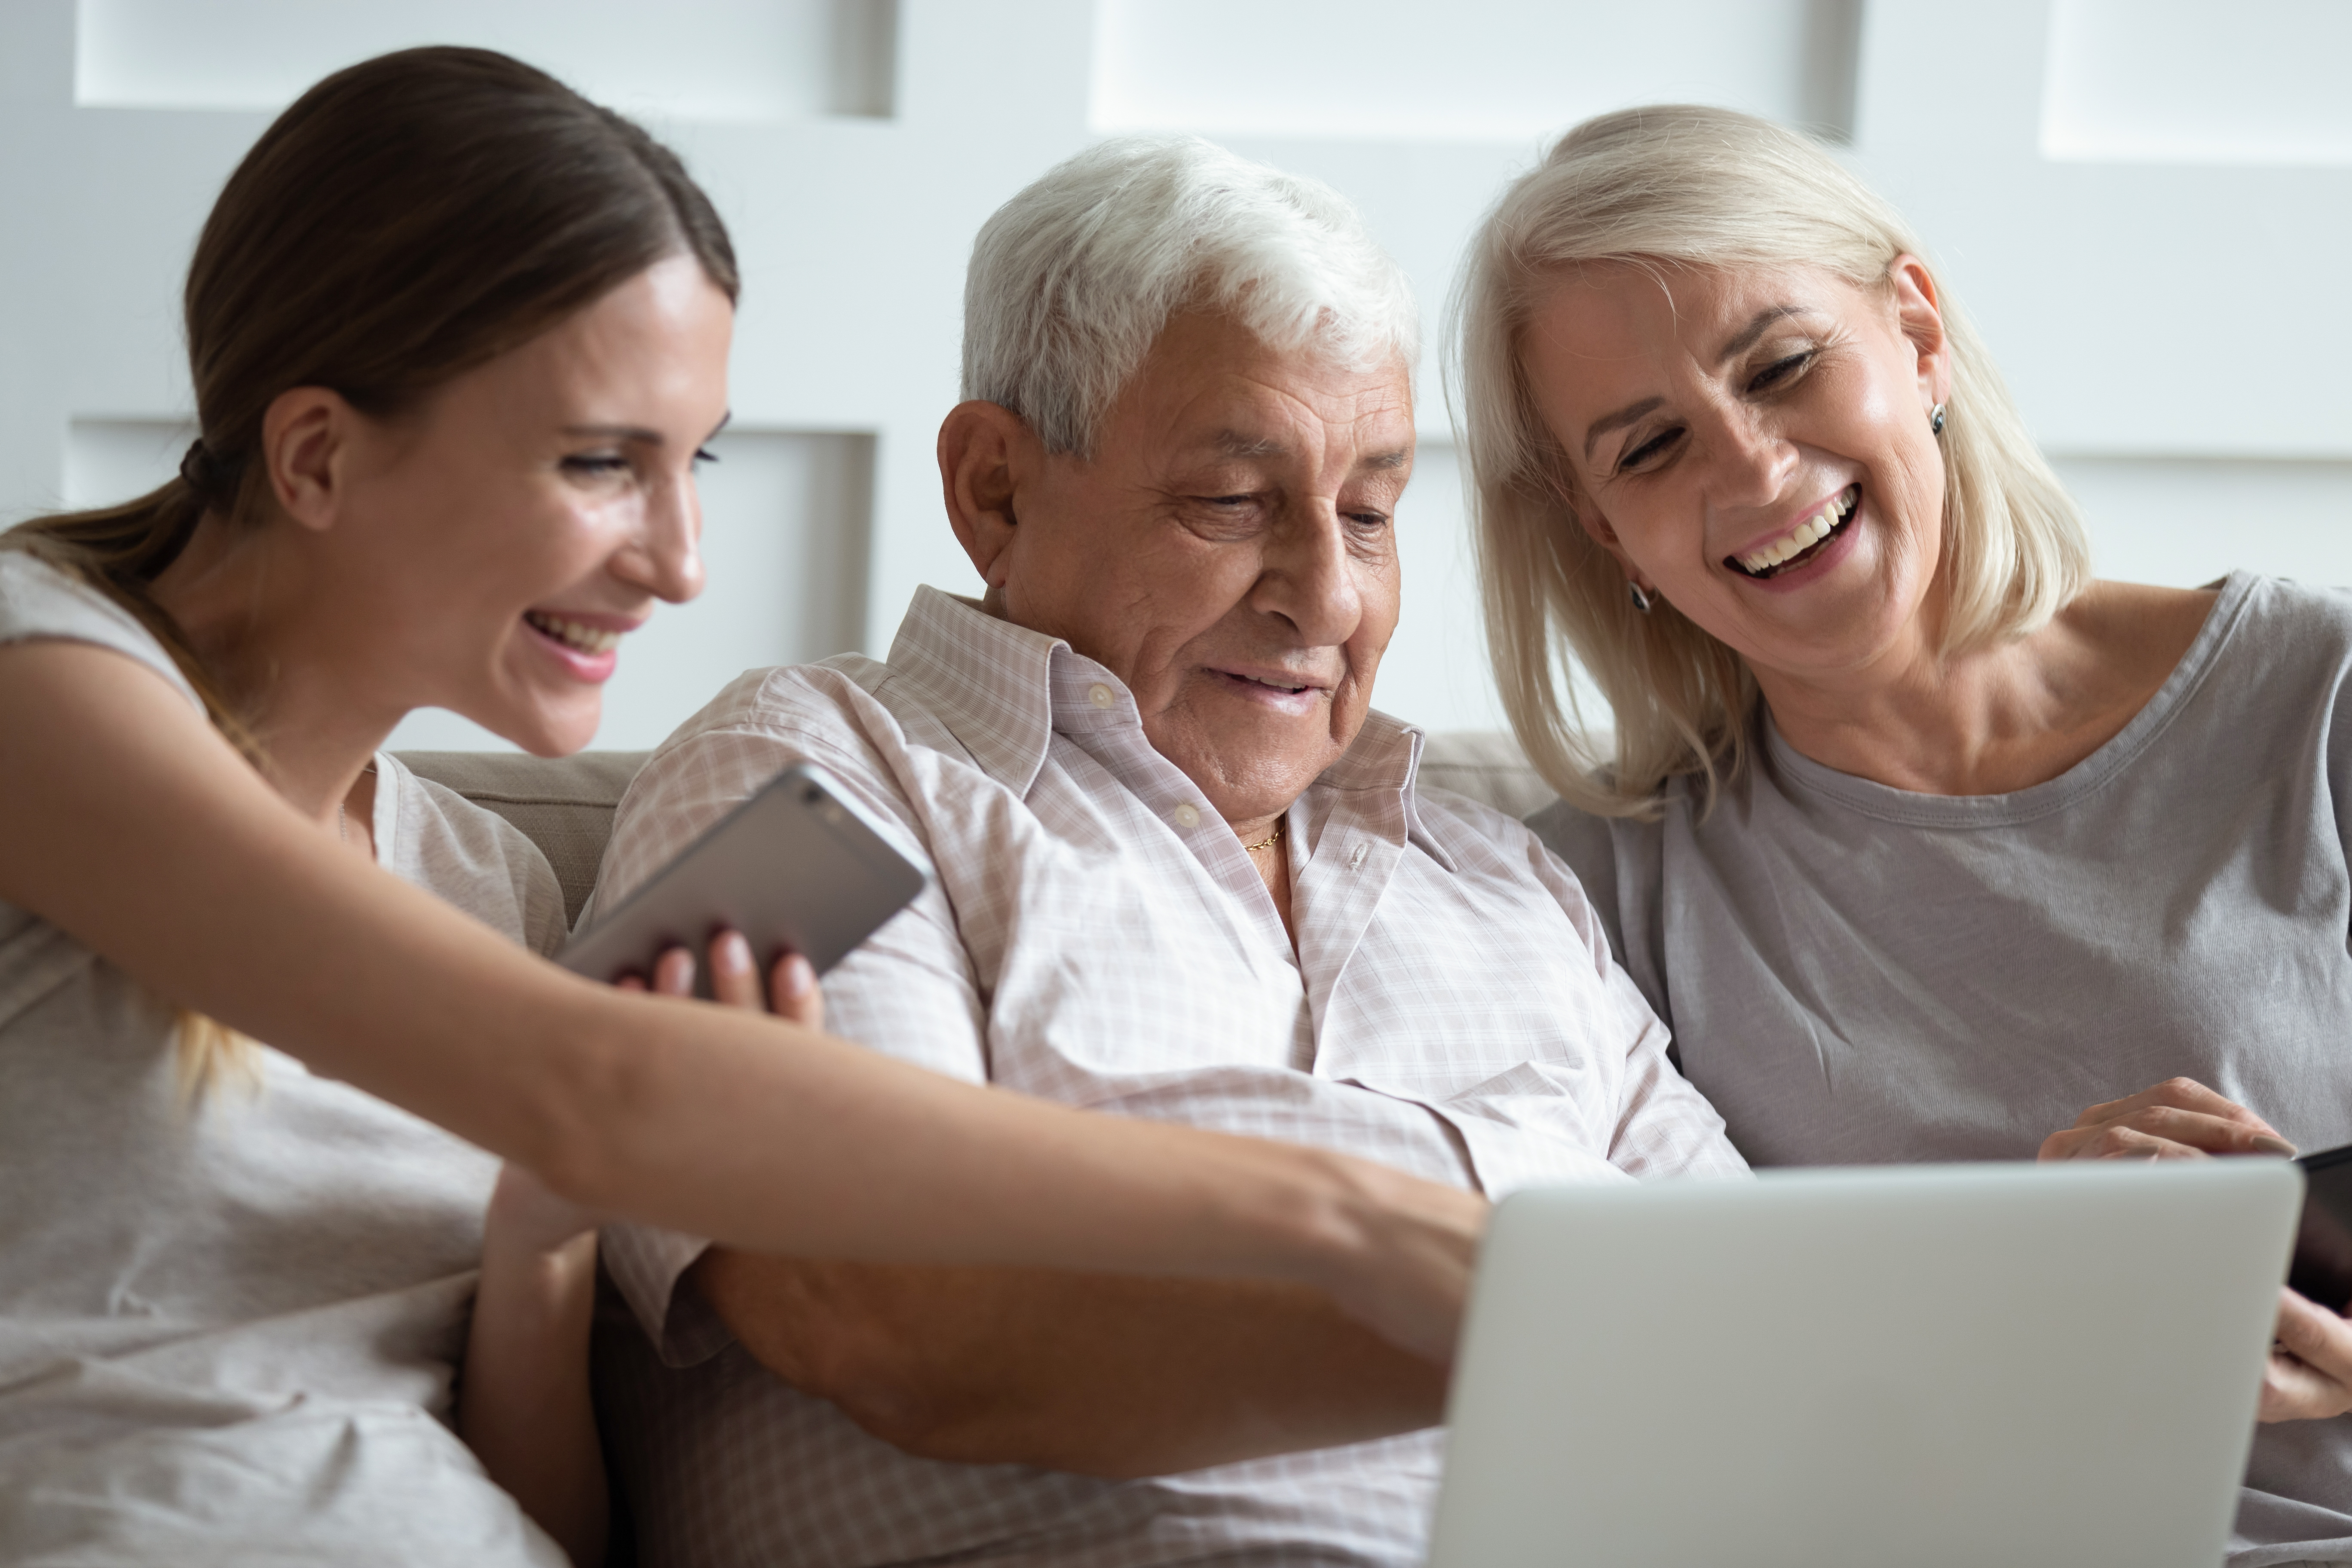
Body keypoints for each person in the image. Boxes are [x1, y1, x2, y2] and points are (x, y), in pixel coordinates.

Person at [0, 50, 1492, 1567]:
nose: (682, 560)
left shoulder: (487, 882)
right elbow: (602, 1085)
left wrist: (542, 1240)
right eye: (601, 465)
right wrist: (1337, 1222)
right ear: (317, 455)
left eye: (691, 462)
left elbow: (557, 1514)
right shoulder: (40, 687)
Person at [589, 132, 1747, 1568]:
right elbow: (879, 1313)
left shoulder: (1510, 889)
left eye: (1372, 512)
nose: (1327, 596)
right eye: (1232, 502)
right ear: (995, 490)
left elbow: (1772, 1344)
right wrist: (1556, 1328)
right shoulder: (798, 777)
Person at [1454, 102, 2352, 1564]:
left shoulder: (2321, 706)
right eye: (1651, 446)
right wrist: (2014, 1298)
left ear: (1917, 333)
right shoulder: (1593, 898)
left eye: (1784, 365)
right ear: (1601, 529)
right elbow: (1632, 1408)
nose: (1748, 472)